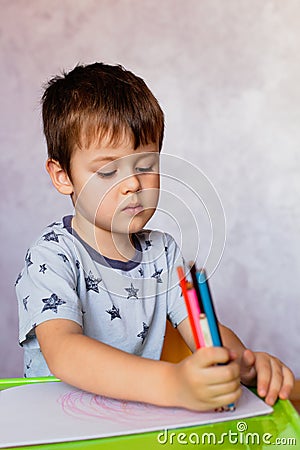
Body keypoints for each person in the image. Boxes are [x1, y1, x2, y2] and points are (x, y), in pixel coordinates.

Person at [16, 62, 294, 412]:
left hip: (133, 420)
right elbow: (64, 353)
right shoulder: (51, 256)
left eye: (145, 165)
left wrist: (246, 367)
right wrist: (172, 384)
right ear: (62, 176)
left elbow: (204, 332)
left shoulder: (162, 252)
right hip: (58, 423)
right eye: (108, 169)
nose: (133, 183)